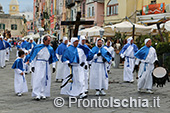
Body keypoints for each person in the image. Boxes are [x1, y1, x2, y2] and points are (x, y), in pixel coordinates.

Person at [29, 35, 58, 100]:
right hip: (38, 64)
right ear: (44, 41)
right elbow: (33, 57)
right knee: (38, 78)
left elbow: (53, 58)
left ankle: (43, 92)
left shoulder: (50, 48)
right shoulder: (37, 48)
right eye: (48, 41)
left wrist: (53, 66)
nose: (49, 42)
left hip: (46, 64)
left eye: (49, 41)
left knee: (45, 79)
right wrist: (32, 66)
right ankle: (37, 93)